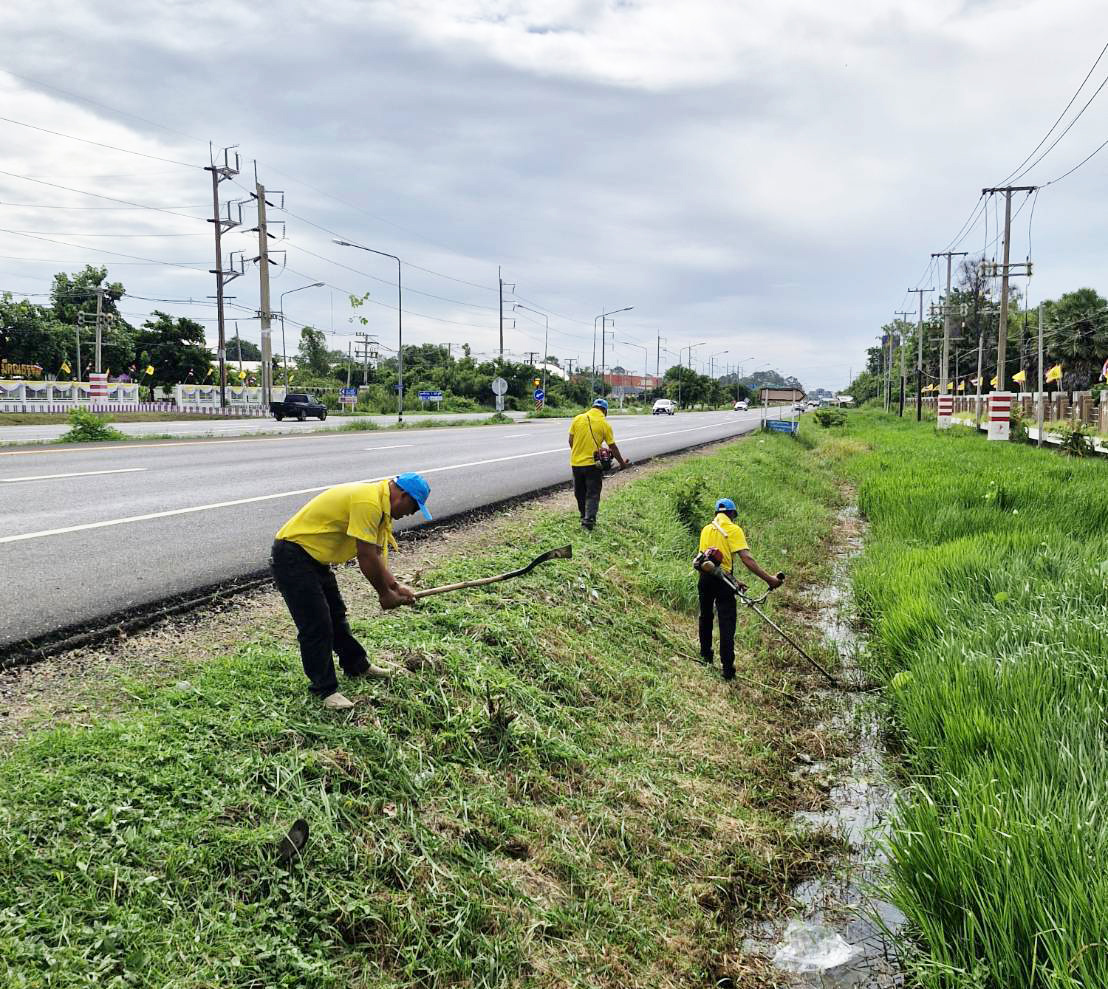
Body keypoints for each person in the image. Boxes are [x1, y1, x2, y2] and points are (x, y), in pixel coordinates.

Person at [270, 472, 432, 709]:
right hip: (293, 555)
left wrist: (395, 587)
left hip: (314, 559)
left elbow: (375, 555)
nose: (412, 513)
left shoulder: (380, 508)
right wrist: (385, 595)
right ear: (403, 495)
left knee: (336, 615)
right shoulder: (368, 502)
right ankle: (324, 690)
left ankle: (357, 666)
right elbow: (365, 555)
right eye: (414, 506)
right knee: (317, 623)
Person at [697, 497, 783, 681]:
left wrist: (735, 581)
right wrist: (770, 580)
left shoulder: (706, 529)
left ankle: (705, 656)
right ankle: (727, 669)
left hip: (705, 579)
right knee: (727, 623)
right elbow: (747, 559)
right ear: (731, 514)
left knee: (705, 616)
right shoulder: (733, 530)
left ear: (716, 513)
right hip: (722, 584)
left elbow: (713, 563)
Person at [568, 398, 631, 529]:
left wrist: (579, 453)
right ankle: (589, 521)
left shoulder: (578, 418)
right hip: (593, 465)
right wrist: (622, 463)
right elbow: (612, 447)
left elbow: (570, 440)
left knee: (580, 492)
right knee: (592, 493)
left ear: (593, 407)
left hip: (576, 464)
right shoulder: (604, 424)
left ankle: (583, 516)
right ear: (605, 411)